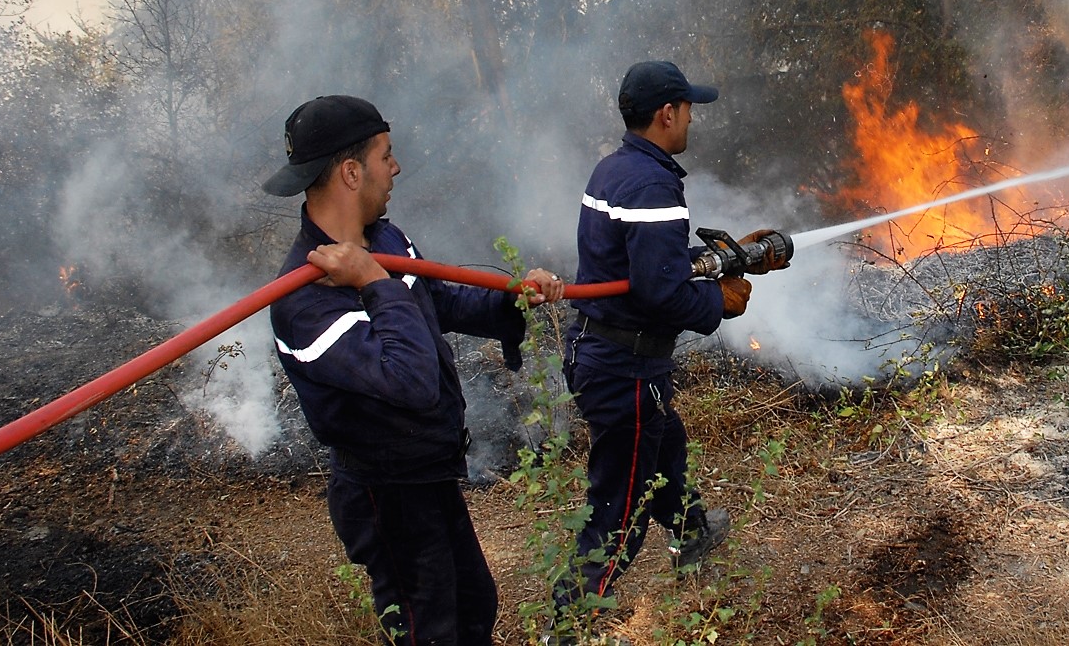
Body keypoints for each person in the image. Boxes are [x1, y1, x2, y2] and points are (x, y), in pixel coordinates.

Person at [263, 94, 565, 646]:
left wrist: (512, 302)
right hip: (386, 492)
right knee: (432, 631)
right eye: (386, 155)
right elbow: (410, 381)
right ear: (351, 172)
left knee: (475, 603)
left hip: (428, 471)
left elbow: (436, 303)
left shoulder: (386, 239)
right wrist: (373, 282)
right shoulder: (303, 303)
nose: (395, 167)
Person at [552, 62, 786, 638]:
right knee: (620, 507)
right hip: (624, 367)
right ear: (666, 114)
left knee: (666, 445)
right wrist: (718, 304)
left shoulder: (618, 168)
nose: (690, 120)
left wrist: (724, 259)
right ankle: (568, 622)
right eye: (687, 110)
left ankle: (692, 532)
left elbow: (646, 263)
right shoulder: (653, 183)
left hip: (606, 353)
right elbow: (659, 291)